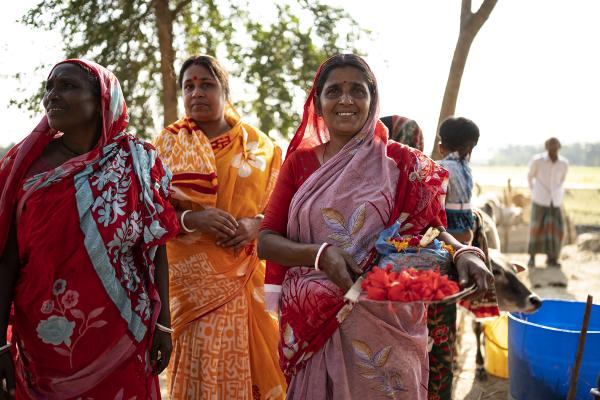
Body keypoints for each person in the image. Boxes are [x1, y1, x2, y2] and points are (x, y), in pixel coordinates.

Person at [258, 54, 493, 399]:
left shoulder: (400, 162)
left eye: (357, 90)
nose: (346, 99)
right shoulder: (299, 163)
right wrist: (321, 255)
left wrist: (465, 253)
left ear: (372, 101)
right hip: (315, 323)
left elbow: (430, 230)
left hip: (388, 325)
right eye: (334, 91)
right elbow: (266, 241)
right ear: (318, 105)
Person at [0, 59, 179, 399]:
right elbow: (6, 259)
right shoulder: (25, 168)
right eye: (50, 87)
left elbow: (155, 248)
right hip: (45, 340)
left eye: (67, 86)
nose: (52, 96)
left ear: (102, 101)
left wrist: (163, 323)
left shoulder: (136, 161)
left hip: (123, 329)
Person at [153, 55, 286, 399]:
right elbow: (147, 213)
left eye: (207, 84)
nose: (197, 92)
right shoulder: (165, 146)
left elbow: (282, 209)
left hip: (245, 278)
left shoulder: (262, 147)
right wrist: (191, 219)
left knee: (258, 364)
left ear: (226, 91)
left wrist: (256, 225)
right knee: (201, 371)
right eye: (189, 86)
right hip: (191, 286)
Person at [527, 137, 568, 267]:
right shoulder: (538, 161)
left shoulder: (563, 163)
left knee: (556, 230)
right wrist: (534, 192)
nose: (553, 147)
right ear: (546, 147)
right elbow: (530, 176)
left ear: (559, 147)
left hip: (555, 201)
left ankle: (552, 258)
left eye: (555, 145)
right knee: (536, 228)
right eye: (550, 145)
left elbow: (562, 180)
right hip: (540, 199)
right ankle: (532, 258)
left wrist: (556, 193)